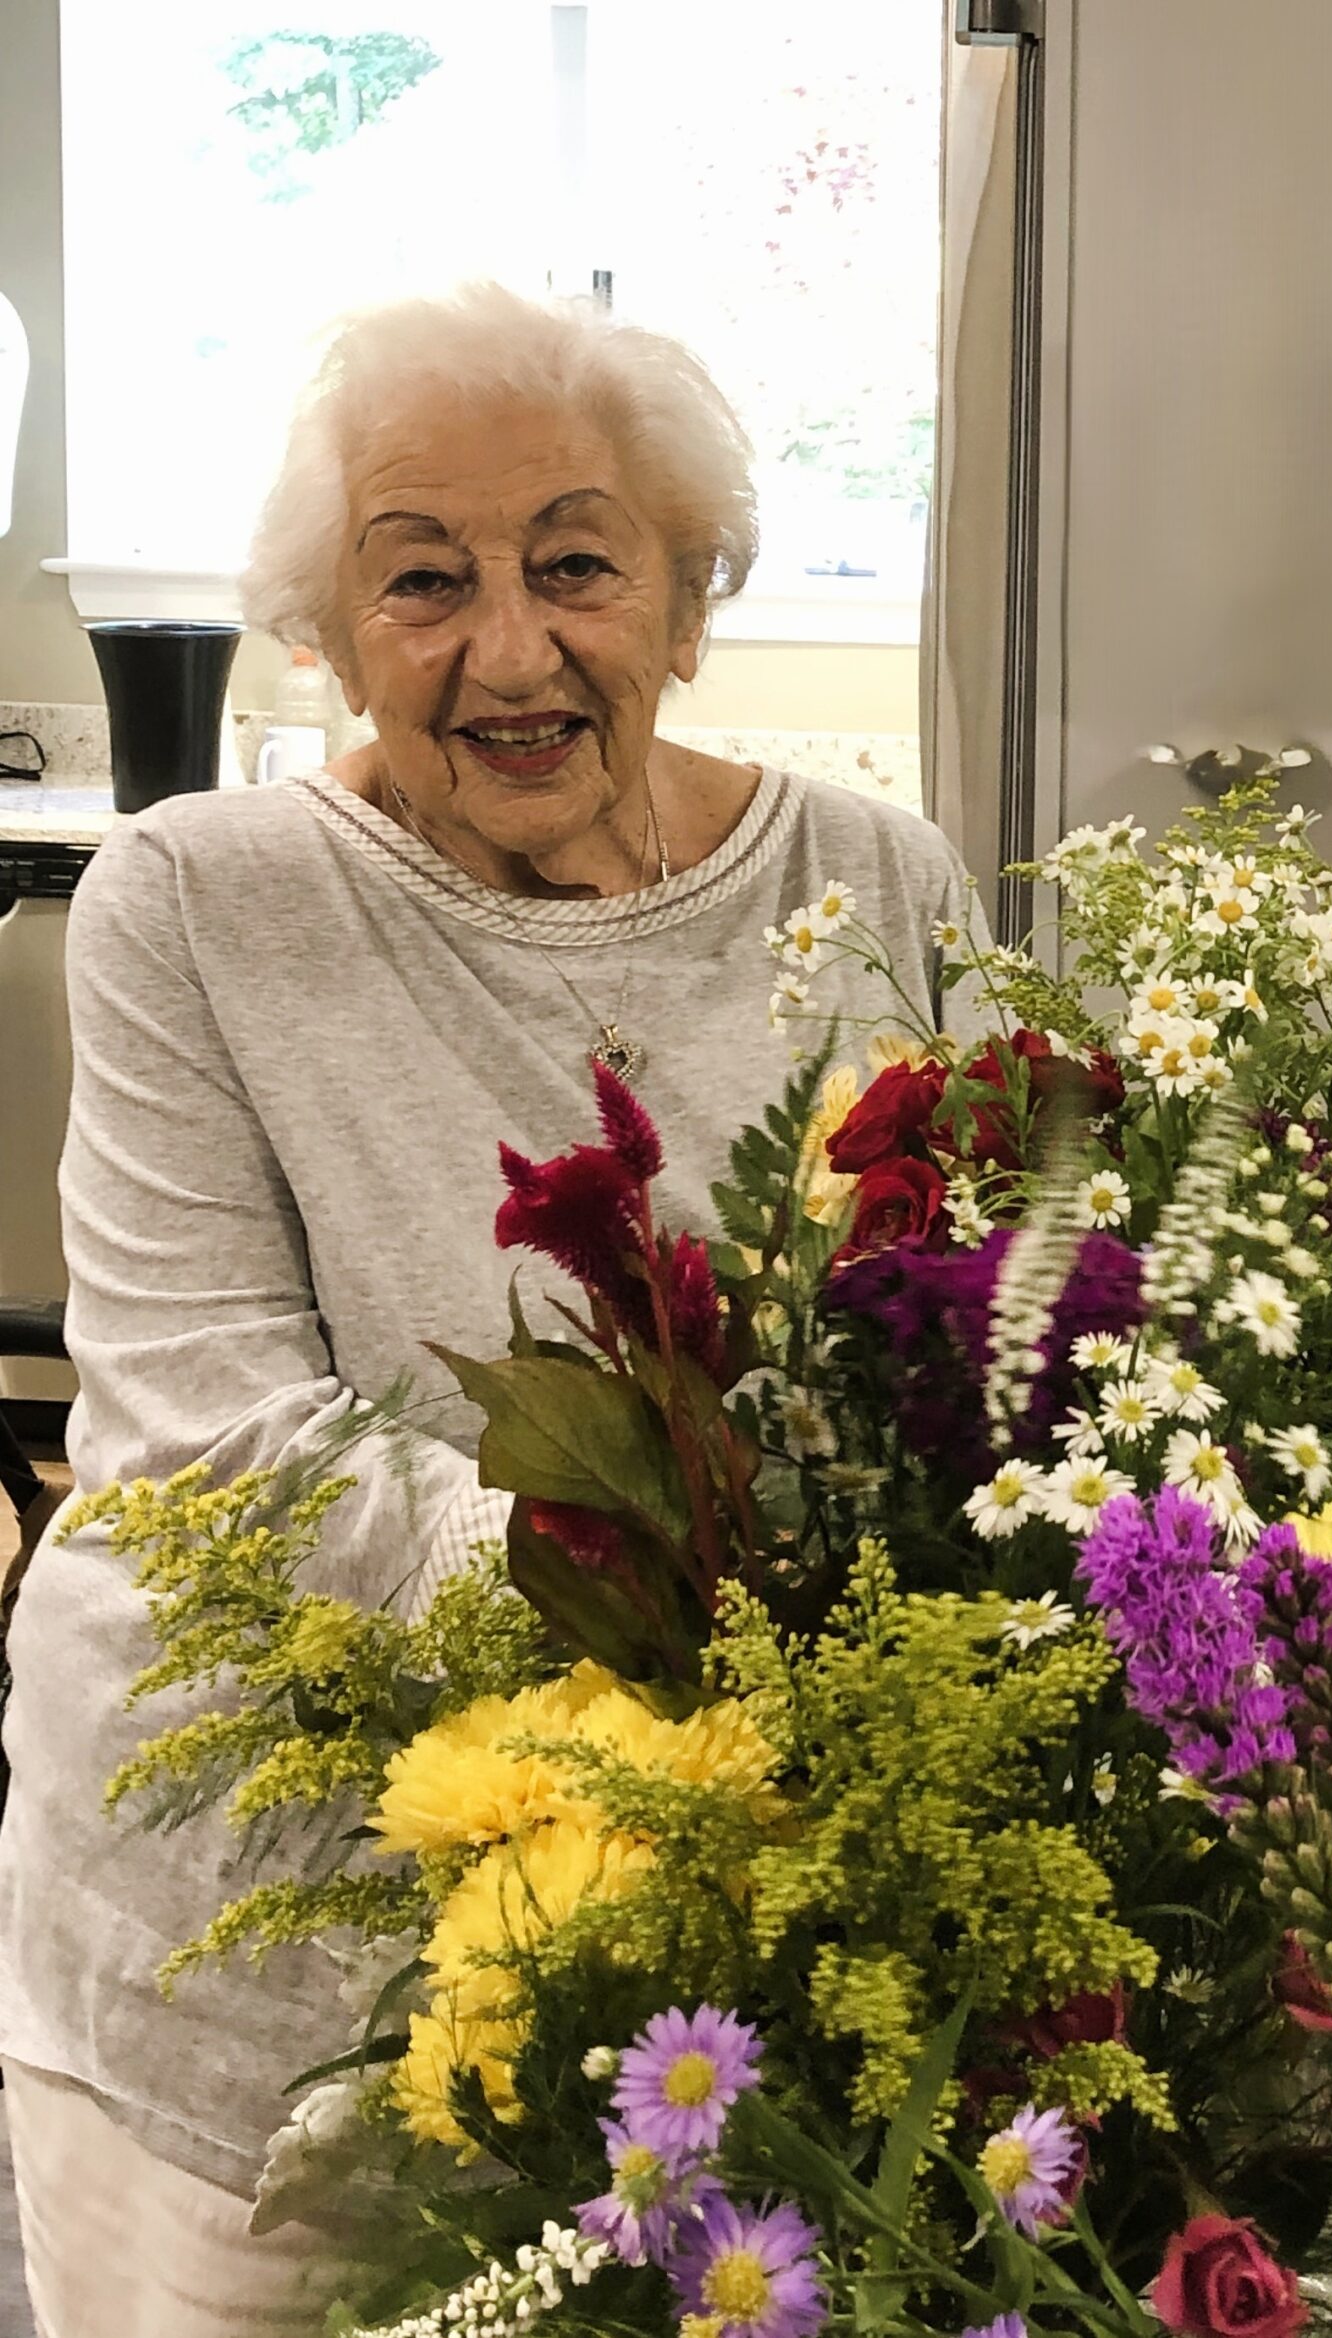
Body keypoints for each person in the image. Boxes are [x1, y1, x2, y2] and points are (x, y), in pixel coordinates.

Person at [0, 283, 980, 2333]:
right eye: (422, 577)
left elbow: (1002, 1347)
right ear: (328, 632)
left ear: (688, 604)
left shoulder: (882, 878)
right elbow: (217, 1444)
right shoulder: (191, 899)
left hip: (753, 1915)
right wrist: (729, 1604)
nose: (509, 647)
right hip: (266, 1931)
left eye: (576, 562)